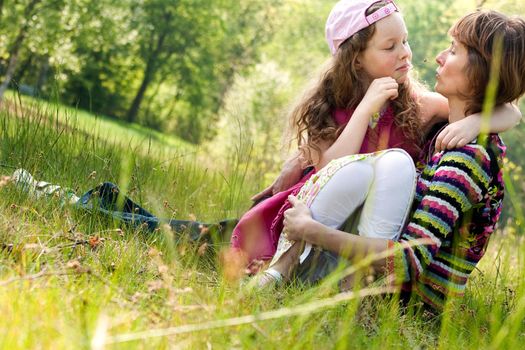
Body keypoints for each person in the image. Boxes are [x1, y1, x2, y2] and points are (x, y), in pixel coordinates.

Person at [239, 0, 521, 279]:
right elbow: (331, 170)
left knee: (394, 164)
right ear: (356, 58)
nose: (406, 54)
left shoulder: (416, 106)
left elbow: (508, 107)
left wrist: (476, 123)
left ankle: (347, 283)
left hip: (362, 241)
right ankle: (279, 270)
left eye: (405, 42)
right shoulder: (326, 107)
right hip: (318, 216)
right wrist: (362, 112)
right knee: (359, 171)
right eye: (390, 46)